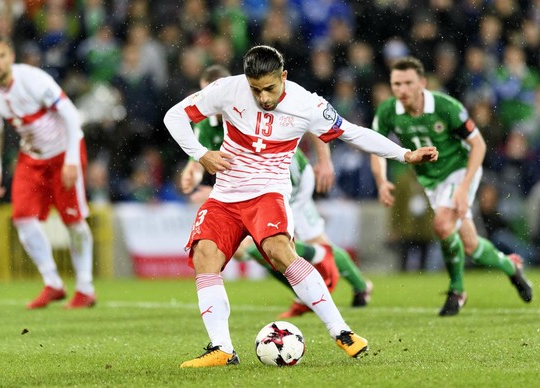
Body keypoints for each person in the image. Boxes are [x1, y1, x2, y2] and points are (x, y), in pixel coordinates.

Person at [164, 45, 437, 368]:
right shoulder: (228, 89)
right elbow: (174, 115)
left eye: (270, 88)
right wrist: (199, 153)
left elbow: (353, 133)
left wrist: (404, 154)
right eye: (256, 90)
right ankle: (222, 349)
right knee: (203, 256)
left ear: (284, 76)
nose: (263, 97)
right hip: (225, 195)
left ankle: (342, 332)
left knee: (280, 251)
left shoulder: (307, 104)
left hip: (268, 192)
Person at [181, 65, 373, 317]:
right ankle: (318, 287)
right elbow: (200, 157)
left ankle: (342, 283)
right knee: (257, 249)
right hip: (255, 186)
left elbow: (312, 120)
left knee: (271, 245)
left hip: (286, 179)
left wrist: (324, 160)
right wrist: (192, 173)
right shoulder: (207, 124)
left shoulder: (253, 103)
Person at [370, 56, 533, 317]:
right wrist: (381, 180)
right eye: (396, 84)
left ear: (422, 83)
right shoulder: (388, 111)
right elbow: (375, 147)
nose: (402, 90)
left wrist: (463, 187)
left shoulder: (446, 106)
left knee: (442, 224)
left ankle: (457, 291)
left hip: (459, 171)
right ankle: (511, 266)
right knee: (472, 247)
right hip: (431, 181)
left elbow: (478, 145)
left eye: (408, 83)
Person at [0, 34, 96, 309]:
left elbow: (70, 115)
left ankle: (85, 287)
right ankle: (52, 283)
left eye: (1, 56)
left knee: (74, 222)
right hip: (31, 158)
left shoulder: (33, 80)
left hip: (65, 152)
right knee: (23, 219)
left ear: (11, 57)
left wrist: (72, 161)